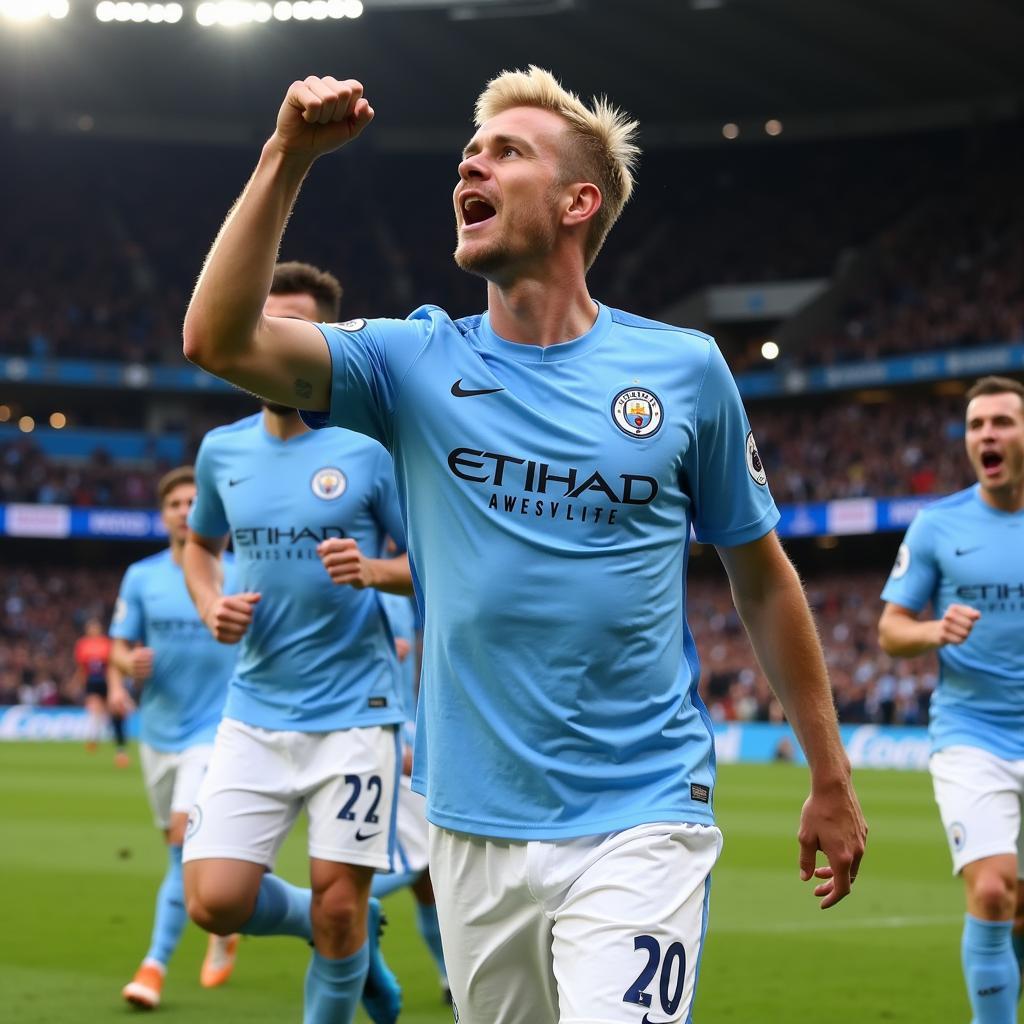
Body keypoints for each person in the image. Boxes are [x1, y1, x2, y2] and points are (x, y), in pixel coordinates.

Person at [182, 69, 867, 1022]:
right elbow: (218, 340)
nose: (473, 159)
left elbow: (762, 578)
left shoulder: (683, 371)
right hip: (473, 821)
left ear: (578, 201)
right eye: (472, 149)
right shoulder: (410, 361)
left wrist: (829, 776)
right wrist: (285, 158)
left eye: (508, 150)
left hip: (644, 810)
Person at [181, 261, 410, 1024]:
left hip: (355, 711)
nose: (271, 343)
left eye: (291, 330)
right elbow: (200, 546)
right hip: (254, 707)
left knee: (339, 902)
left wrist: (376, 569)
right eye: (260, 327)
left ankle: (342, 939)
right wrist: (210, 602)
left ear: (323, 341)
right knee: (215, 902)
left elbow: (442, 562)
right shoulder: (222, 452)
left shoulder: (371, 449)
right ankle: (346, 936)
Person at [879, 375, 1024, 1024]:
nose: (987, 435)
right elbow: (890, 630)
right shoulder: (938, 525)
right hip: (973, 735)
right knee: (993, 890)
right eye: (976, 425)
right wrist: (936, 628)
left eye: (1002, 422)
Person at [107, 465, 241, 1009]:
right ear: (162, 515)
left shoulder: (240, 571)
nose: (186, 511)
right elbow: (118, 646)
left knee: (180, 844)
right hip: (157, 733)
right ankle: (228, 915)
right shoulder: (141, 577)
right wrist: (126, 666)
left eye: (194, 502)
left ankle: (153, 966)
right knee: (178, 846)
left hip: (216, 731)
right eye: (176, 504)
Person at [373, 590, 448, 1002]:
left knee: (427, 881)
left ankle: (448, 978)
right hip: (373, 738)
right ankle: (326, 911)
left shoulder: (403, 591)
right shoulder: (345, 582)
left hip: (410, 736)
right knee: (417, 859)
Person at [73, 616, 127, 765]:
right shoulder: (82, 644)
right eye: (90, 627)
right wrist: (80, 683)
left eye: (95, 627)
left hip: (108, 683)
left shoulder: (107, 644)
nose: (93, 629)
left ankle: (120, 750)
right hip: (92, 683)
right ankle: (93, 738)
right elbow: (82, 667)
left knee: (115, 714)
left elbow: (113, 665)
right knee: (94, 709)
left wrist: (117, 685)